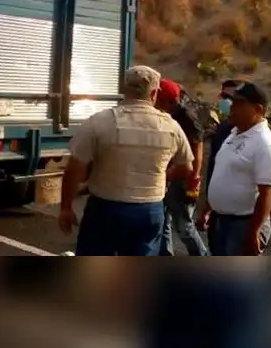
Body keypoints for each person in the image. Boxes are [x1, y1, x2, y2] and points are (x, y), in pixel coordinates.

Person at [59, 65, 194, 256]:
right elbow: (186, 167)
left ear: (124, 89)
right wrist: (163, 175)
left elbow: (75, 168)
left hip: (105, 208)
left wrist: (66, 207)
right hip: (149, 209)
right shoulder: (171, 126)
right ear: (155, 93)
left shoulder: (100, 122)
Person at [197, 82, 271, 256]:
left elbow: (267, 193)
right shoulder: (233, 134)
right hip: (221, 221)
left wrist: (254, 232)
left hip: (243, 225)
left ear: (257, 109)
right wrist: (208, 209)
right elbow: (223, 175)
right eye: (232, 102)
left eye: (239, 104)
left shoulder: (265, 144)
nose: (232, 107)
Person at [155, 78, 209, 256]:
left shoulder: (185, 117)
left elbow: (197, 147)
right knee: (164, 221)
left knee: (184, 225)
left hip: (183, 178)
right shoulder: (168, 115)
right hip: (169, 175)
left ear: (169, 101)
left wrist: (193, 178)